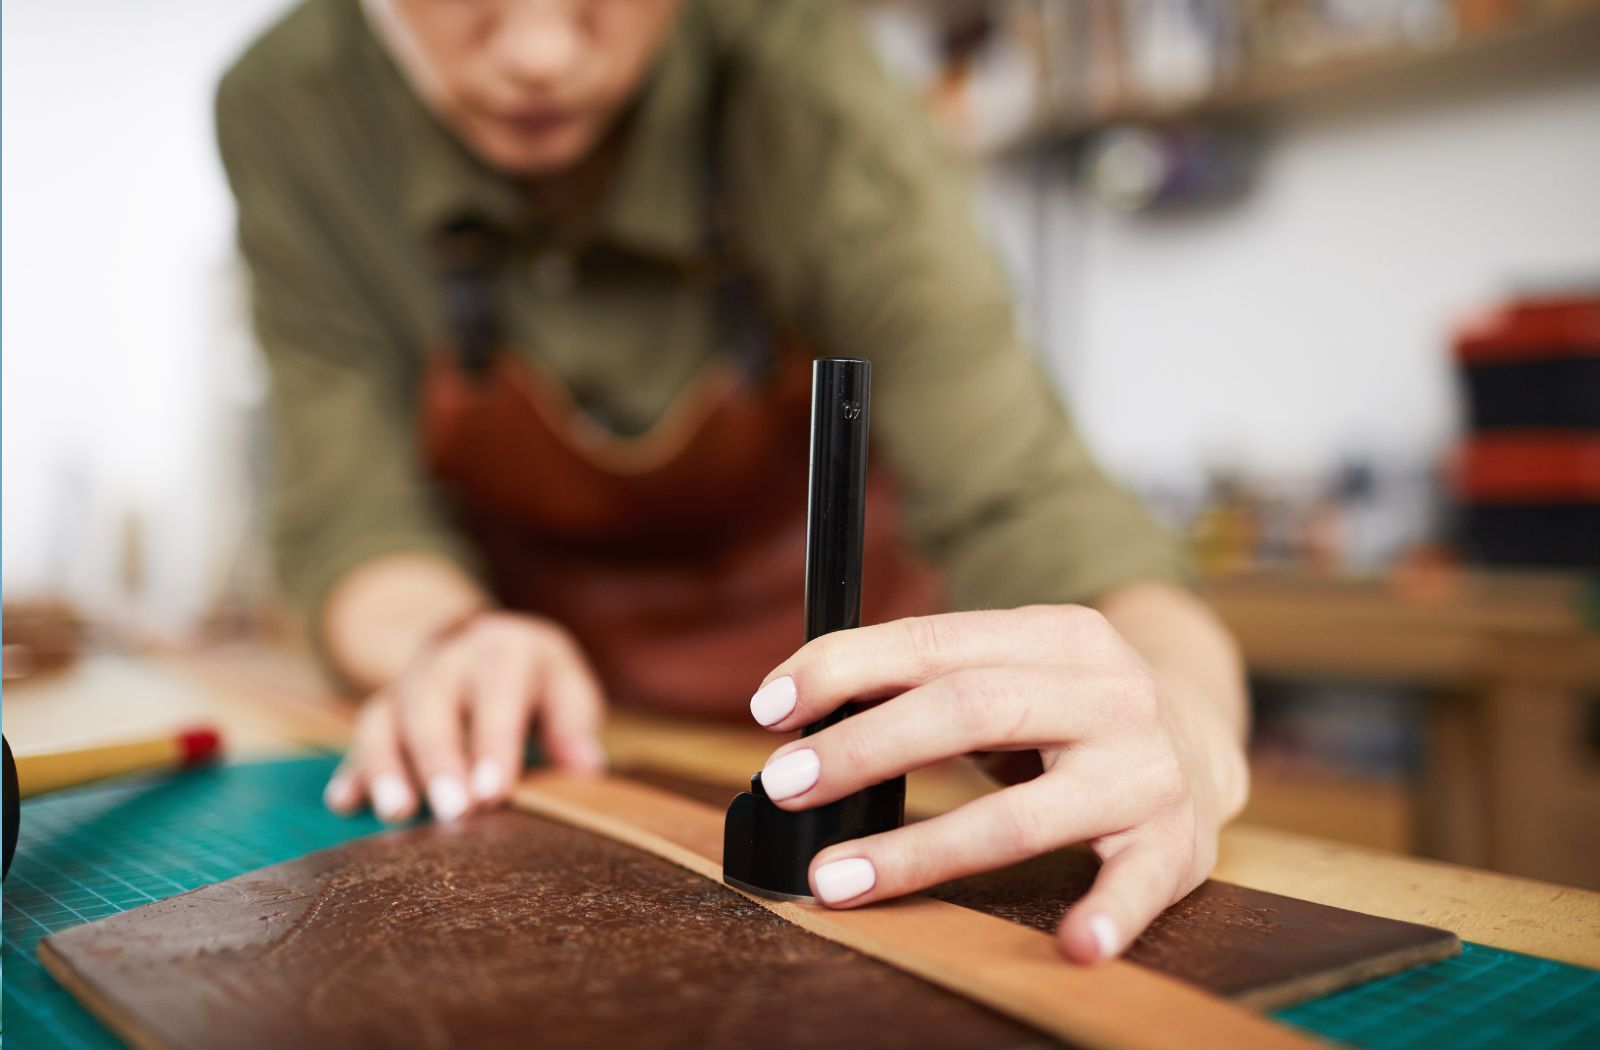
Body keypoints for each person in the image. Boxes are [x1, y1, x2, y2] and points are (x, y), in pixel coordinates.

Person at [216, 0, 1248, 965]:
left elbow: (1034, 503)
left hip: (861, 762)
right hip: (567, 756)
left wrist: (1186, 720)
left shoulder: (809, 84)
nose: (538, 50)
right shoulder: (292, 106)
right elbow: (350, 518)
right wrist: (447, 644)